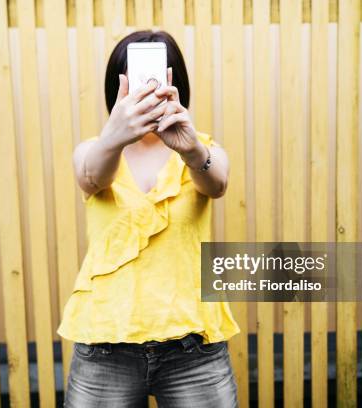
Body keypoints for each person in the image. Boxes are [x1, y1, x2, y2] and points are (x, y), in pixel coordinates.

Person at [58, 30, 241, 408]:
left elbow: (217, 183)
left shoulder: (200, 147)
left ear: (175, 83)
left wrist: (191, 148)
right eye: (137, 80)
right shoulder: (95, 150)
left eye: (157, 77)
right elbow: (91, 177)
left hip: (194, 350)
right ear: (118, 86)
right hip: (105, 349)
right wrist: (115, 137)